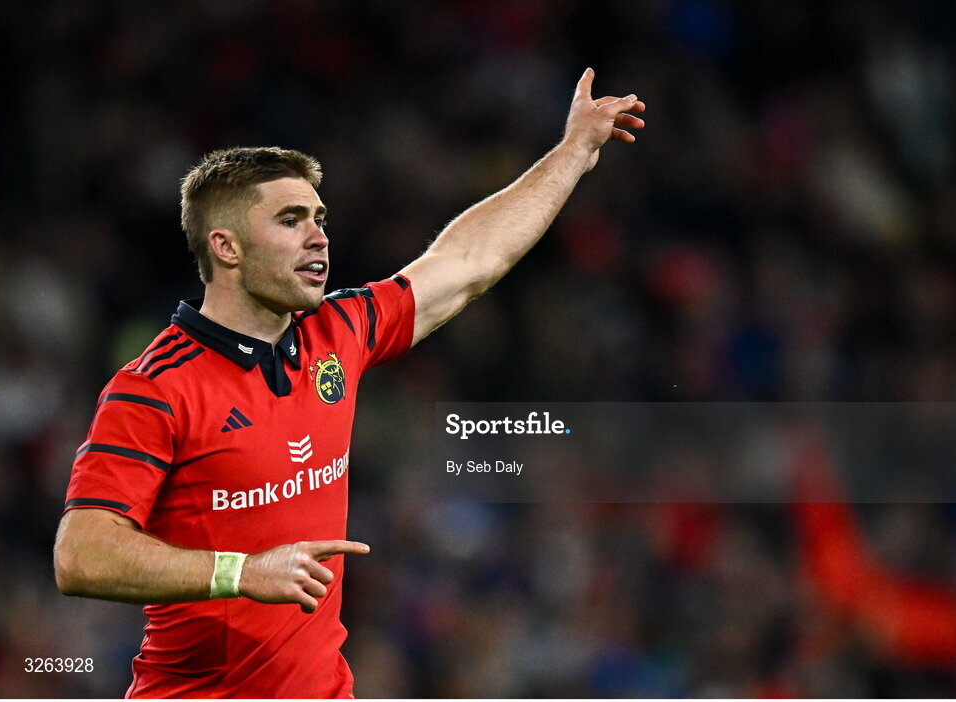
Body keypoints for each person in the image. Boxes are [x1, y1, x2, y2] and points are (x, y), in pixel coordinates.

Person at [53, 68, 644, 698]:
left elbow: (469, 262)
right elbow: (81, 555)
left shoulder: (339, 329)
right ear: (225, 247)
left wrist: (575, 151)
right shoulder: (154, 388)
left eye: (319, 217)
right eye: (290, 220)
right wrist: (240, 572)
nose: (319, 236)